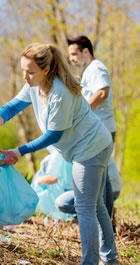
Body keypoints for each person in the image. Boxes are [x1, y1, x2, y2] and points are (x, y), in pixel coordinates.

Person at [0, 43, 118, 265]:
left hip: (91, 147)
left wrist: (19, 151)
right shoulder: (35, 84)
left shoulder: (59, 92)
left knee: (85, 207)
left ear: (46, 70)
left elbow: (54, 135)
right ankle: (110, 259)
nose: (25, 77)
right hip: (91, 145)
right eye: (23, 70)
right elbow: (12, 106)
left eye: (31, 71)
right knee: (96, 205)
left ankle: (91, 262)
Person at [68, 35, 117, 220]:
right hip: (99, 131)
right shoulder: (89, 70)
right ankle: (109, 220)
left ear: (85, 51)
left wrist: (83, 111)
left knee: (99, 177)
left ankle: (107, 221)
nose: (72, 59)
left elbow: (102, 92)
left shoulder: (96, 68)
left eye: (74, 54)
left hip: (103, 129)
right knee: (102, 177)